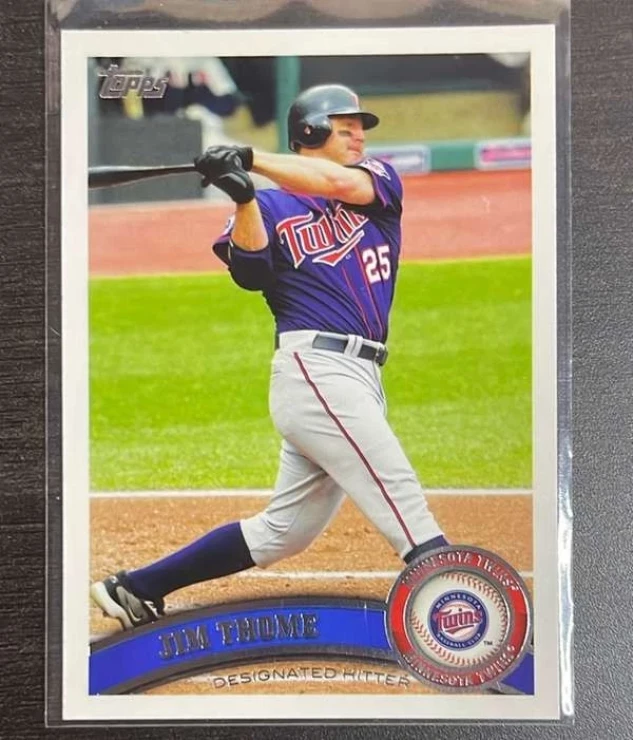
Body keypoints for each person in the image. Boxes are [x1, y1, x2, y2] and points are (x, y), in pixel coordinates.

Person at [90, 84, 448, 630]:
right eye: (346, 124)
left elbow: (335, 183)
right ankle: (460, 609)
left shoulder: (376, 181)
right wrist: (244, 197)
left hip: (360, 377)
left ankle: (134, 588)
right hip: (316, 371)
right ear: (310, 130)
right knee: (401, 497)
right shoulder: (271, 206)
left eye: (360, 125)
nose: (359, 133)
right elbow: (251, 273)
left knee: (283, 533)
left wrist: (250, 158)